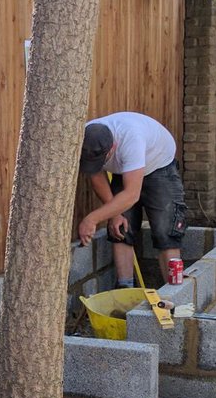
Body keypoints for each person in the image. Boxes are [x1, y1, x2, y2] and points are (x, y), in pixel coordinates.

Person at [77, 112, 187, 286]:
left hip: (159, 166)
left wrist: (92, 219)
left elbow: (131, 194)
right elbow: (95, 174)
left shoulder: (131, 139)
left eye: (101, 160)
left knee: (165, 232)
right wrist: (113, 213)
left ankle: (173, 293)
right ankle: (125, 288)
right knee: (120, 229)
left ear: (112, 147)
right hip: (125, 169)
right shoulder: (85, 136)